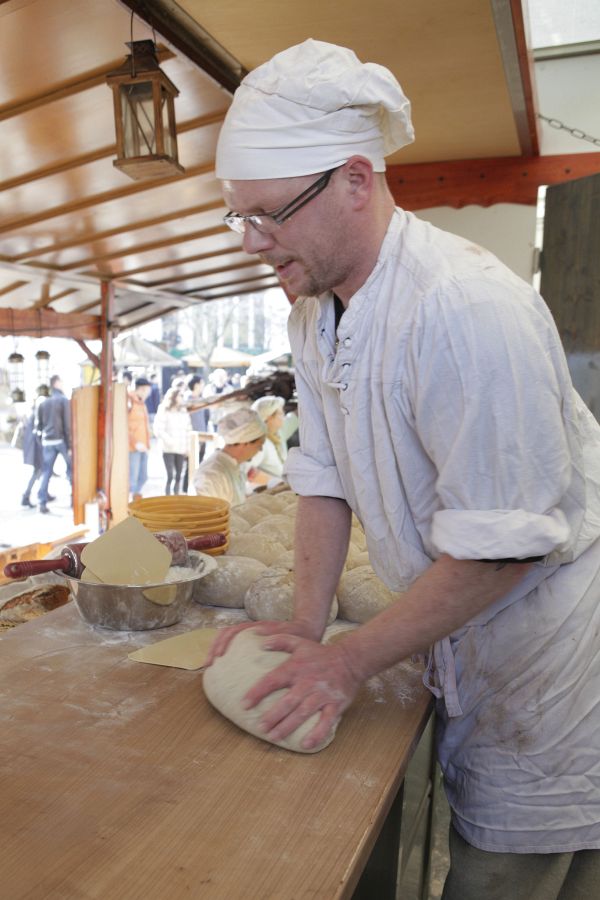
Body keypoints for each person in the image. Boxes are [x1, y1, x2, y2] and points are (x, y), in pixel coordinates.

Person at [208, 39, 600, 898]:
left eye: (268, 215)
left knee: (508, 871)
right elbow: (322, 477)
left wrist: (348, 663)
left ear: (355, 180)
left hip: (548, 663)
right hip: (467, 633)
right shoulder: (314, 315)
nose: (251, 243)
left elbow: (504, 548)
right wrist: (307, 626)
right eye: (238, 218)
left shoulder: (464, 309)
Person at [193, 407, 265, 507]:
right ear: (245, 442)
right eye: (259, 445)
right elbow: (210, 514)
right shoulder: (213, 474)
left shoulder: (234, 466)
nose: (260, 450)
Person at [36, 375, 71, 514]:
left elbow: (39, 426)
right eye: (61, 381)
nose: (62, 384)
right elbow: (67, 425)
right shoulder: (63, 400)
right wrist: (70, 446)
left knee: (46, 472)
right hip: (61, 440)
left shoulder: (43, 402)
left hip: (47, 441)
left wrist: (42, 440)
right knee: (71, 470)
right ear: (56, 383)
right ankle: (75, 500)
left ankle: (42, 502)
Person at [249, 395, 298, 485]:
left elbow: (296, 416)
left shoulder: (278, 432)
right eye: (280, 413)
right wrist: (280, 484)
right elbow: (249, 473)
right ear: (268, 418)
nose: (283, 415)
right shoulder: (260, 444)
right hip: (273, 491)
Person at [153, 385, 192, 495]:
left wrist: (188, 447)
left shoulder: (184, 411)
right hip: (167, 448)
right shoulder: (163, 409)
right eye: (180, 395)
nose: (182, 398)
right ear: (173, 397)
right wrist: (169, 441)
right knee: (169, 475)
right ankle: (167, 496)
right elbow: (158, 429)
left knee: (179, 475)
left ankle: (176, 496)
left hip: (181, 448)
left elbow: (188, 430)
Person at [18, 384, 50, 508]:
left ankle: (43, 492)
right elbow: (36, 433)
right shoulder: (35, 412)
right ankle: (26, 496)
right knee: (38, 471)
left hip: (34, 447)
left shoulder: (33, 411)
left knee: (41, 471)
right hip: (36, 448)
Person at [127, 376, 152, 501]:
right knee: (132, 479)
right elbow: (123, 425)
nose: (148, 393)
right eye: (147, 390)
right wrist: (135, 443)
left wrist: (147, 445)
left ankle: (134, 501)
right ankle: (128, 504)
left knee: (143, 477)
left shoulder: (141, 403)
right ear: (141, 389)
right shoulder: (129, 401)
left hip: (143, 446)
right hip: (133, 448)